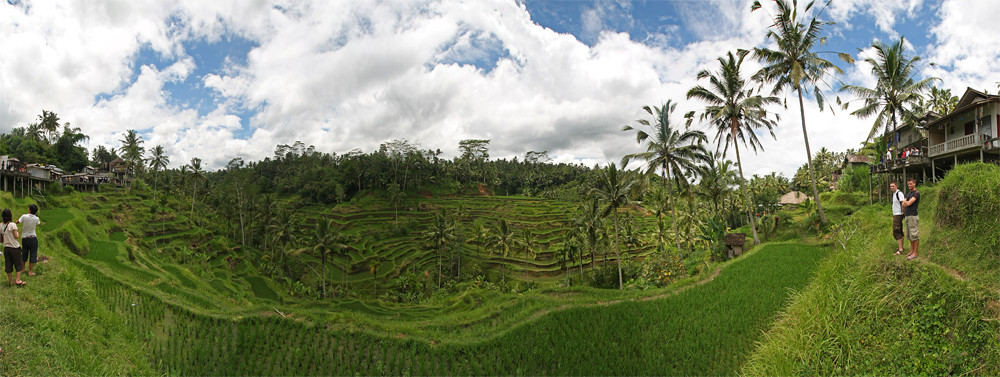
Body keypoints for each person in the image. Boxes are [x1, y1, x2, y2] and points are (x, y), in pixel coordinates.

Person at [2, 209, 25, 286]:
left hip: (6, 248)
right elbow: (16, 236)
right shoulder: (12, 224)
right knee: (18, 264)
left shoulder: (0, 225)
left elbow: (1, 239)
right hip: (14, 247)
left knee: (8, 264)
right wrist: (17, 232)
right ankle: (18, 280)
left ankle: (11, 281)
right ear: (10, 216)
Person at [901, 177, 921, 260]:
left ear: (914, 183)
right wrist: (905, 203)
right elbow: (903, 204)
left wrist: (906, 203)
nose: (909, 185)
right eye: (908, 184)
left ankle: (915, 253)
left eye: (910, 184)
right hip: (907, 216)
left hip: (913, 216)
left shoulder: (916, 193)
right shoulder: (908, 193)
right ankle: (912, 251)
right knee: (909, 235)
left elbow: (908, 203)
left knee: (914, 234)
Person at [18, 204, 40, 276]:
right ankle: (30, 272)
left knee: (24, 252)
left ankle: (23, 268)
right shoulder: (36, 218)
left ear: (29, 210)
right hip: (33, 238)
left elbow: (18, 221)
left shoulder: (24, 216)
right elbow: (38, 223)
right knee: (33, 253)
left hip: (25, 238)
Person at [889, 182, 905, 255]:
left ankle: (900, 250)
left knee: (896, 230)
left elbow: (903, 204)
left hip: (898, 214)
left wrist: (904, 214)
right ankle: (900, 247)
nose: (892, 187)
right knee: (899, 230)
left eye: (893, 186)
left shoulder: (899, 193)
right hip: (896, 214)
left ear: (896, 186)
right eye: (891, 186)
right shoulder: (894, 194)